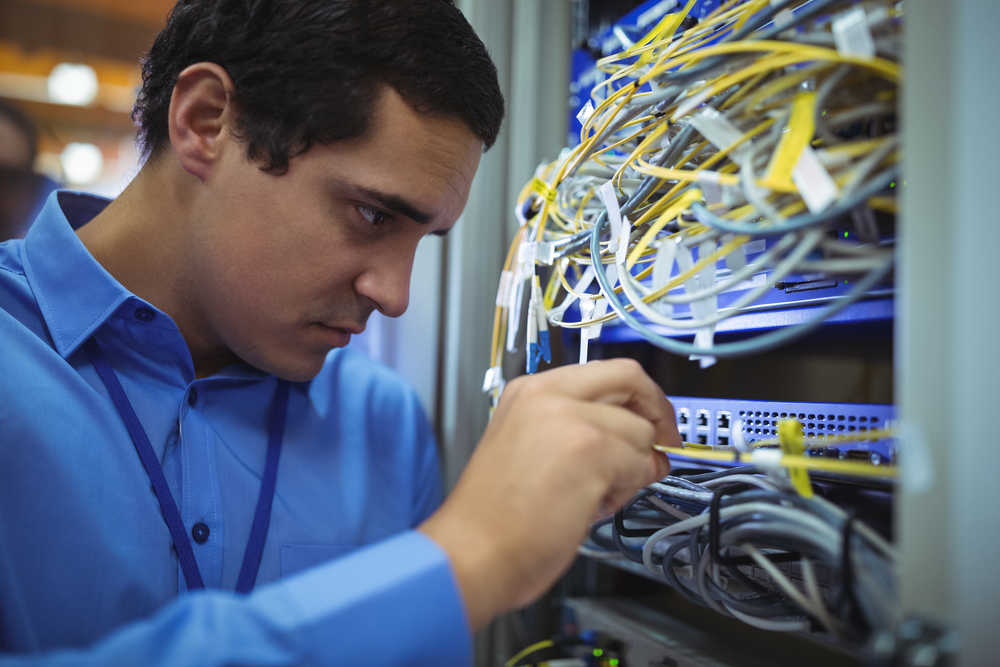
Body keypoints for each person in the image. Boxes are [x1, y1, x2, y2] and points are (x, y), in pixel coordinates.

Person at [0, 0, 679, 664]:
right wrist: (468, 556)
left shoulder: (383, 426)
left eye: (425, 238)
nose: (396, 295)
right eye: (373, 216)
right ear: (206, 122)